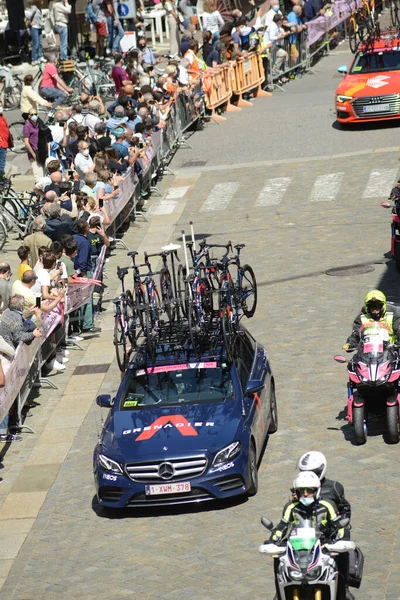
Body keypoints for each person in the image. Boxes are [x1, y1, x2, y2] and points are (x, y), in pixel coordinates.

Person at [270, 471, 344, 600]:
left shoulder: (327, 506)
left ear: (317, 491)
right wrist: (273, 540)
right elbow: (282, 525)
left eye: (309, 490)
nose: (305, 494)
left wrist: (342, 540)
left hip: (323, 547)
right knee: (279, 562)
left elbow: (339, 526)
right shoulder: (291, 507)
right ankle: (279, 594)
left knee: (340, 560)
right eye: (301, 491)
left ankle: (343, 592)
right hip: (297, 548)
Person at [296, 452, 354, 600]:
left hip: (329, 532)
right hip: (306, 531)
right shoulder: (300, 486)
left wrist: (341, 524)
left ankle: (344, 587)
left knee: (343, 548)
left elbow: (345, 508)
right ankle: (281, 589)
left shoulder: (334, 487)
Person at [23, 109, 44, 182]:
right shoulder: (27, 126)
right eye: (32, 115)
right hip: (35, 153)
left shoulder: (39, 124)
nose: (34, 116)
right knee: (39, 177)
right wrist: (33, 154)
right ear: (29, 116)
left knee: (44, 175)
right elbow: (26, 142)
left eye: (35, 114)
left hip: (42, 152)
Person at [26, 0, 45, 65]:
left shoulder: (39, 9)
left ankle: (40, 56)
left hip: (39, 27)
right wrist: (30, 23)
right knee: (35, 44)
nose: (42, 2)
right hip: (34, 28)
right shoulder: (34, 7)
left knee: (40, 43)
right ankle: (34, 59)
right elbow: (28, 15)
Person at [0, 104, 13, 180]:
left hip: (4, 144)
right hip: (1, 144)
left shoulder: (2, 117)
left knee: (2, 163)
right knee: (1, 164)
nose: (1, 107)